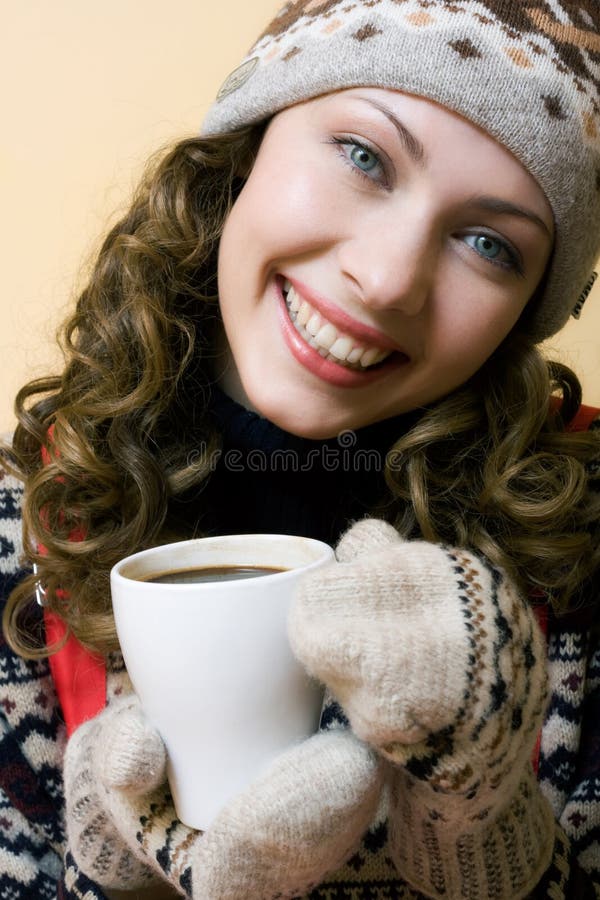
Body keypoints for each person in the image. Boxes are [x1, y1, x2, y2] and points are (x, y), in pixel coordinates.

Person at [1, 0, 599, 897]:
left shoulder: (584, 538)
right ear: (250, 143)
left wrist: (483, 832)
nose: (389, 278)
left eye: (488, 243)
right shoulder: (26, 529)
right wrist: (115, 874)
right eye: (365, 156)